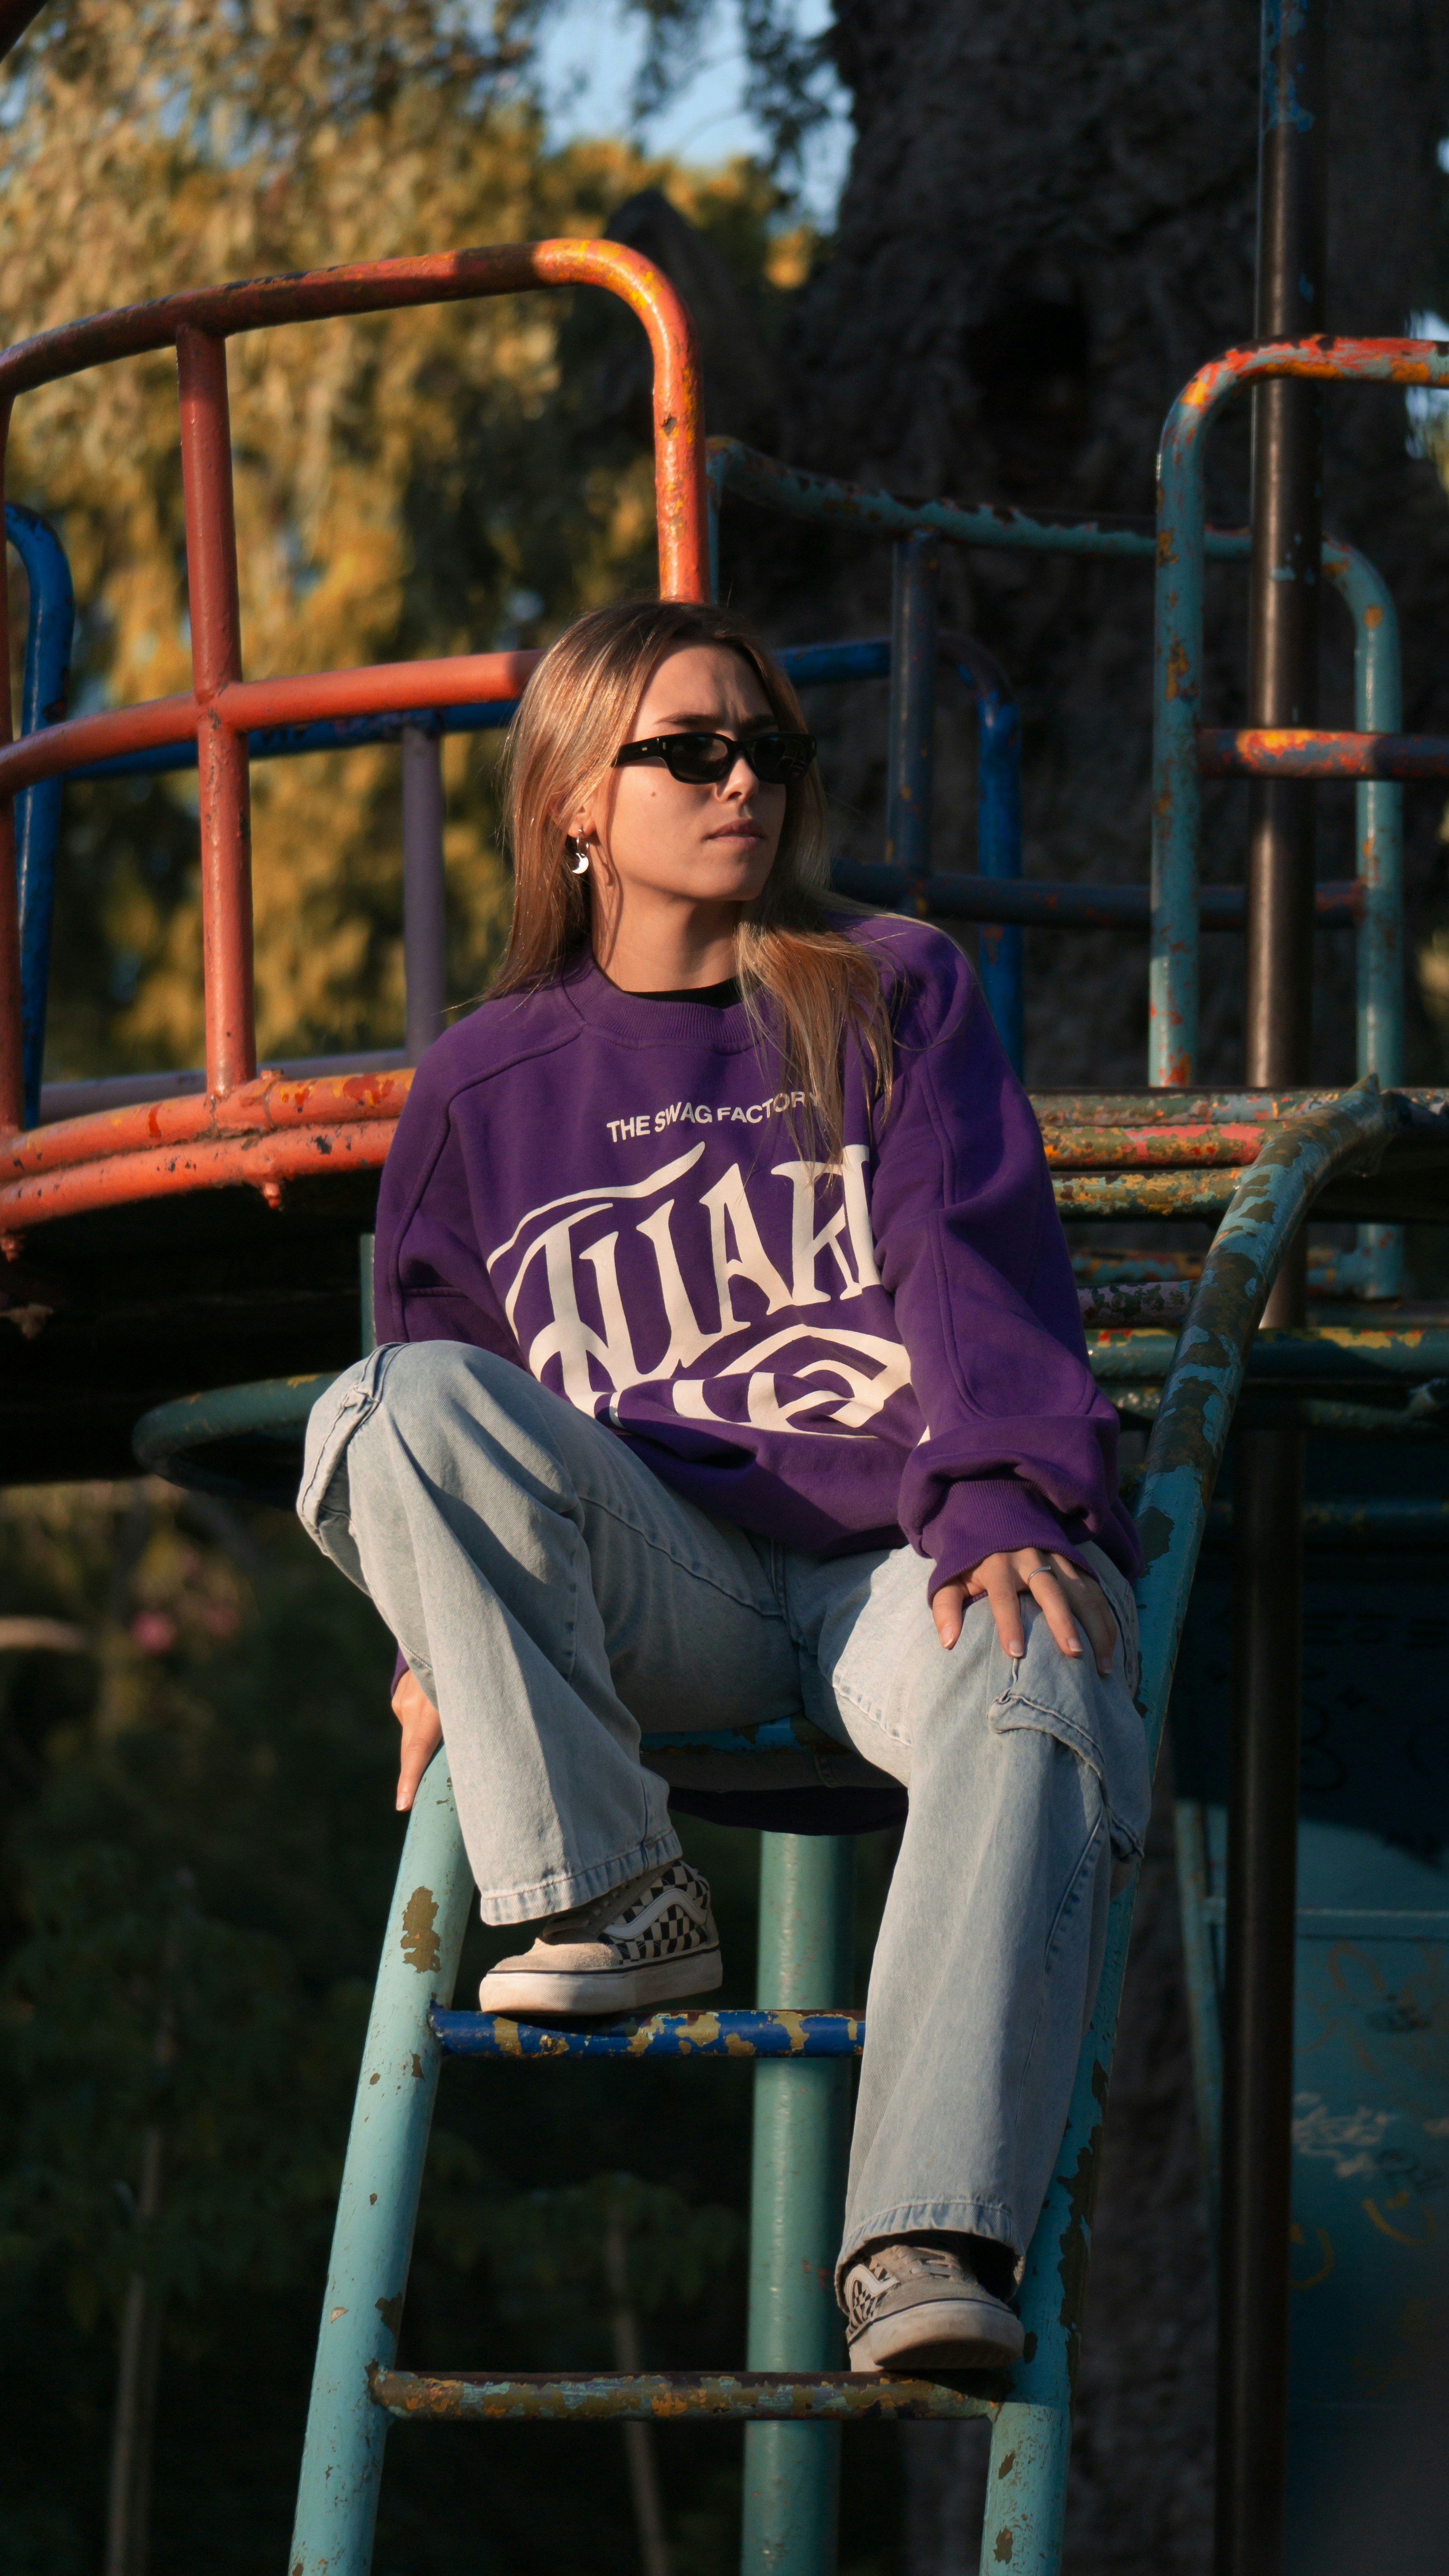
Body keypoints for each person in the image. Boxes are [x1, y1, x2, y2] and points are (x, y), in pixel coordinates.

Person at [298, 596, 1149, 2376]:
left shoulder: (885, 984)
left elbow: (969, 1260)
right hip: (659, 1586)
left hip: (882, 1568)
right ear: (576, 805)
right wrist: (434, 1645)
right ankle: (620, 1893)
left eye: (768, 745)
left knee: (1049, 1653)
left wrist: (997, 1490)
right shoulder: (481, 1087)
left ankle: (921, 2239)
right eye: (690, 749)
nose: (742, 775)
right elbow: (453, 1397)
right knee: (378, 1409)